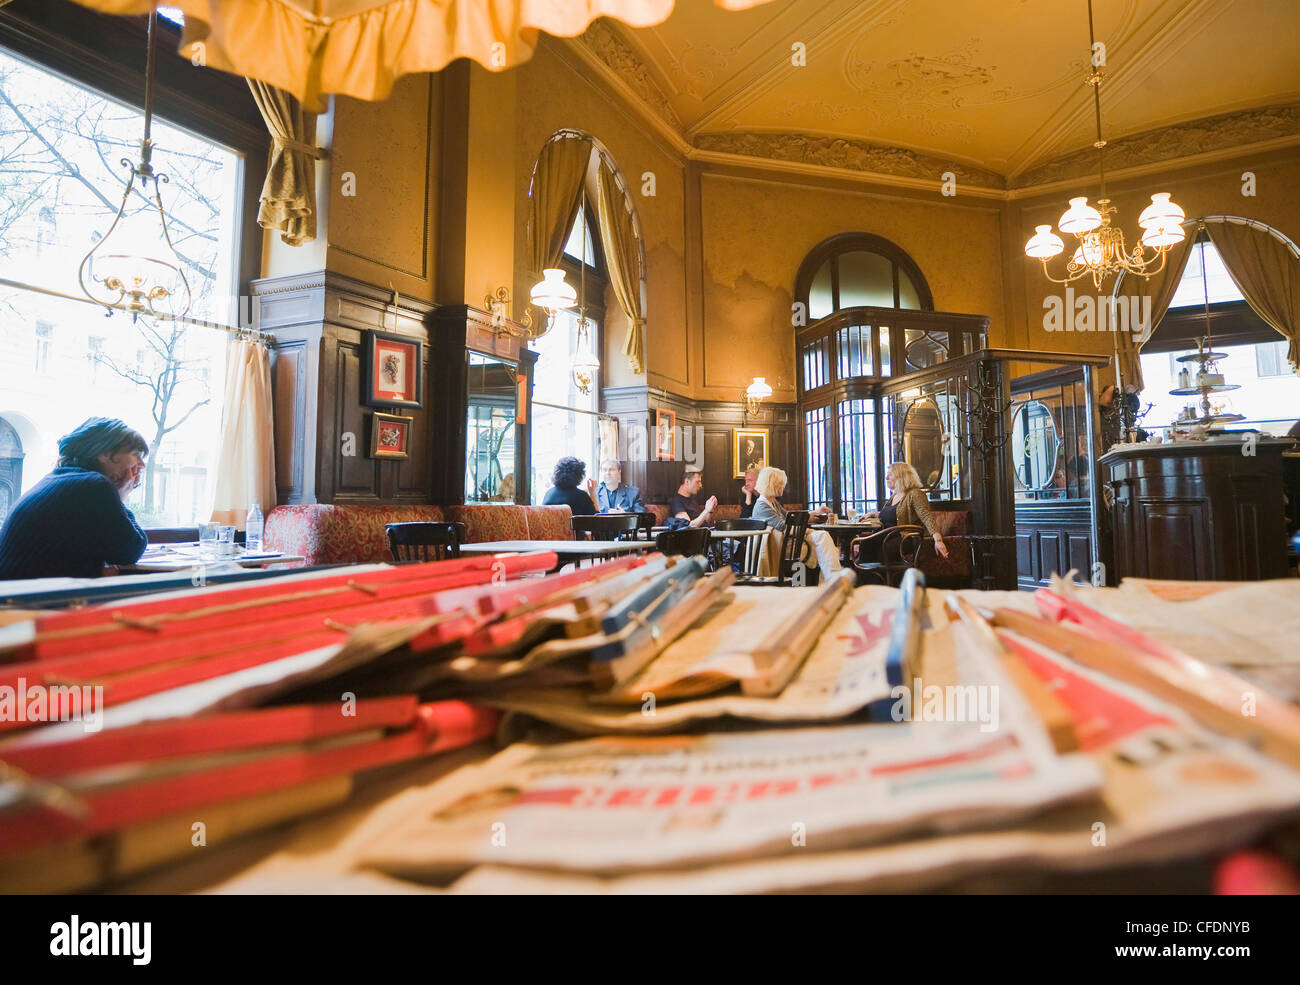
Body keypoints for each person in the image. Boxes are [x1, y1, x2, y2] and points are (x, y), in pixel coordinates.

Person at [0, 417, 149, 580]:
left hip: (16, 595)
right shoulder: (94, 485)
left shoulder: (58, 480)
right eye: (136, 454)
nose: (141, 464)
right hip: (31, 602)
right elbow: (130, 550)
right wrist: (121, 495)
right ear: (104, 453)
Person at [750, 466, 841, 573]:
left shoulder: (771, 502)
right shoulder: (762, 506)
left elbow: (790, 517)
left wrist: (816, 512)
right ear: (772, 485)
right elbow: (785, 527)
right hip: (779, 548)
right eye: (781, 483)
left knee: (825, 545)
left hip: (787, 542)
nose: (783, 486)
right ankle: (834, 579)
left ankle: (830, 580)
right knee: (824, 540)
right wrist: (808, 531)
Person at [866, 462, 949, 559]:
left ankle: (878, 574)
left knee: (878, 547)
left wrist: (938, 540)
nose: (886, 478)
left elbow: (926, 516)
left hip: (904, 538)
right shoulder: (895, 495)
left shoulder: (915, 494)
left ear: (902, 477)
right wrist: (872, 514)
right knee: (865, 543)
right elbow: (893, 514)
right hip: (887, 536)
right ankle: (866, 574)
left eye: (890, 474)